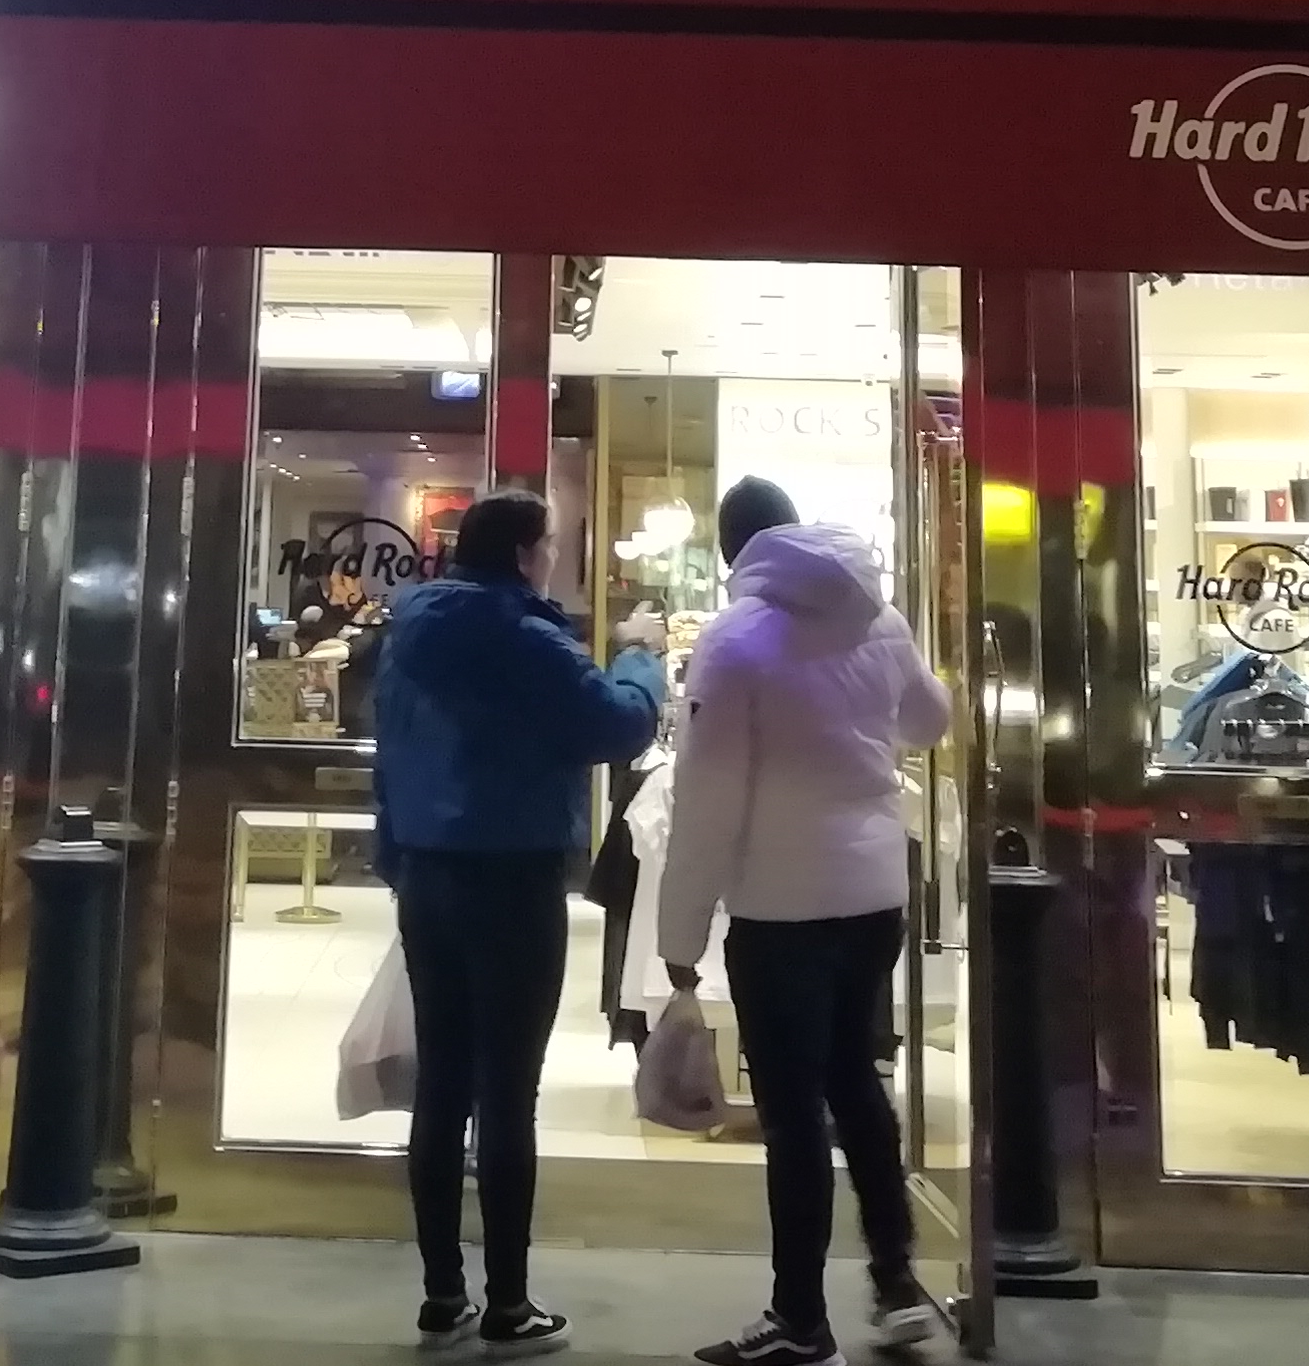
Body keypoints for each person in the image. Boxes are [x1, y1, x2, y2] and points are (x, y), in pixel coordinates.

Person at [655, 477, 955, 1366]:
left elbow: (708, 803)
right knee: (857, 1082)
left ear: (732, 551)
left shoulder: (736, 640)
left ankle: (799, 1318)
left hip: (780, 905)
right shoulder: (877, 615)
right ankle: (896, 1283)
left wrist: (679, 938)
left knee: (791, 1116)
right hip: (872, 892)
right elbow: (930, 720)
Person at [371, 489, 661, 1355]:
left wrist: (398, 858)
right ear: (529, 552)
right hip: (513, 880)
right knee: (507, 1091)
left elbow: (391, 753)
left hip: (428, 874)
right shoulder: (526, 637)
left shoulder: (411, 629)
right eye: (551, 544)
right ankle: (509, 1304)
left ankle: (441, 1295)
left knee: (442, 1084)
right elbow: (618, 724)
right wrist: (640, 657)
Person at [588, 600, 672, 1047]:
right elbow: (620, 723)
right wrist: (638, 649)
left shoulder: (411, 640)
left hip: (432, 853)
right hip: (519, 855)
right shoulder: (536, 637)